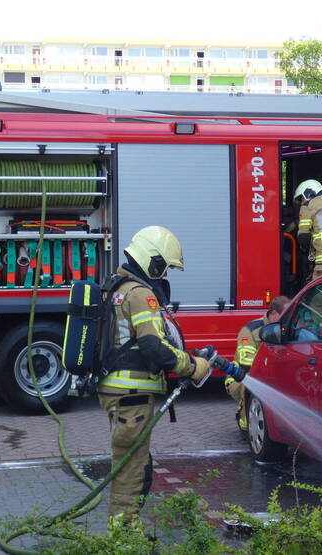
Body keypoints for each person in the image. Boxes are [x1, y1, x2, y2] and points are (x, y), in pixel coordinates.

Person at [97, 225, 211, 525]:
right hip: (131, 396)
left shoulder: (117, 286)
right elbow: (151, 345)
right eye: (163, 268)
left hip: (117, 391)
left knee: (134, 463)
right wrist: (191, 365)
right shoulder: (140, 293)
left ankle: (125, 525)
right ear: (152, 260)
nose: (163, 277)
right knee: (131, 467)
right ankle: (123, 533)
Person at [225, 295, 289, 432]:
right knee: (250, 384)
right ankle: (247, 427)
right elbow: (246, 363)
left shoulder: (286, 328)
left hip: (273, 375)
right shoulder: (251, 330)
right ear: (273, 314)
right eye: (285, 315)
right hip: (241, 376)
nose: (288, 320)